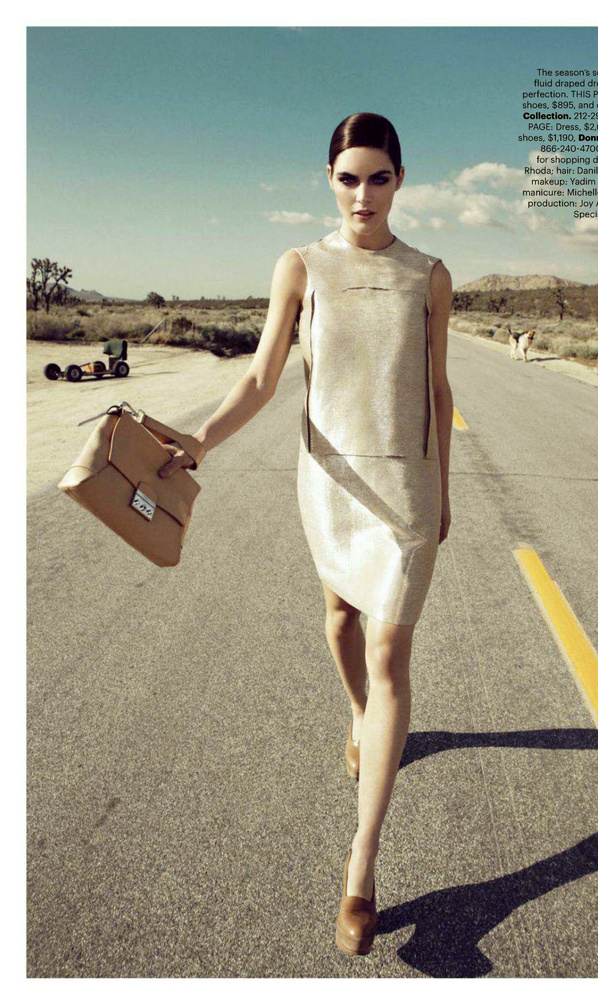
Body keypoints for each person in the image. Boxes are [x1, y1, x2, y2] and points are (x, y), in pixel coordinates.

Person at [158, 112, 453, 956]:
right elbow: (262, 376)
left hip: (405, 487)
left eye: (379, 178)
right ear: (329, 180)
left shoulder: (428, 275)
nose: (363, 194)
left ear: (400, 180)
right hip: (331, 484)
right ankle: (358, 713)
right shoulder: (301, 266)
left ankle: (362, 862)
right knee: (340, 620)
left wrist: (443, 489)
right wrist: (201, 440)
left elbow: (438, 389)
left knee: (392, 654)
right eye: (349, 178)